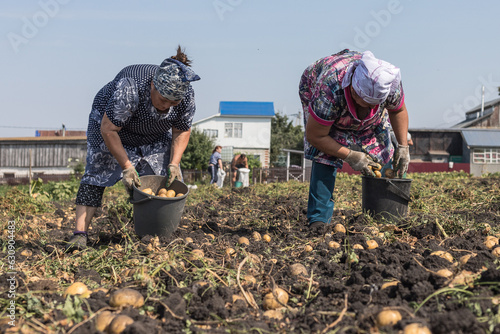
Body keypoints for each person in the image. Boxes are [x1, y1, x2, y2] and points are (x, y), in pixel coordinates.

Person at [65, 46, 201, 251]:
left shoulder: (186, 94)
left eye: (173, 103)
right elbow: (109, 129)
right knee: (96, 175)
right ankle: (80, 234)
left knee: (167, 180)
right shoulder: (130, 88)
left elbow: (182, 130)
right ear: (153, 85)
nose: (166, 106)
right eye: (163, 100)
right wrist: (127, 166)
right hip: (111, 129)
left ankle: (157, 235)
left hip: (153, 132)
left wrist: (174, 163)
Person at [299, 49, 410, 230]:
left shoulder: (389, 83)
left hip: (359, 97)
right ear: (353, 90)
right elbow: (316, 136)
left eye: (375, 105)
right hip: (316, 84)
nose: (368, 110)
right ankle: (319, 219)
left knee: (382, 151)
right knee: (325, 156)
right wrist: (350, 155)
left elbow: (398, 110)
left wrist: (403, 146)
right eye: (366, 103)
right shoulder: (329, 91)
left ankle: (386, 214)